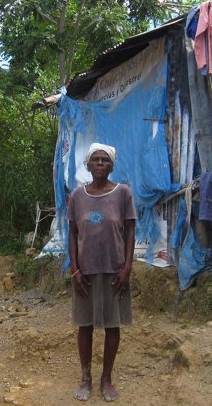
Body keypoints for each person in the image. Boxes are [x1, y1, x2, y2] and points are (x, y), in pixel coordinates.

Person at [67, 143, 136, 402]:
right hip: (85, 272)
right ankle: (86, 378)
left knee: (112, 326)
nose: (99, 164)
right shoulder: (77, 196)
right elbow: (73, 234)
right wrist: (74, 269)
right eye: (95, 160)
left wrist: (127, 267)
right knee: (84, 326)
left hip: (115, 271)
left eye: (104, 161)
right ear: (87, 164)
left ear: (112, 166)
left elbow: (130, 231)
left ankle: (106, 378)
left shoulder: (123, 193)